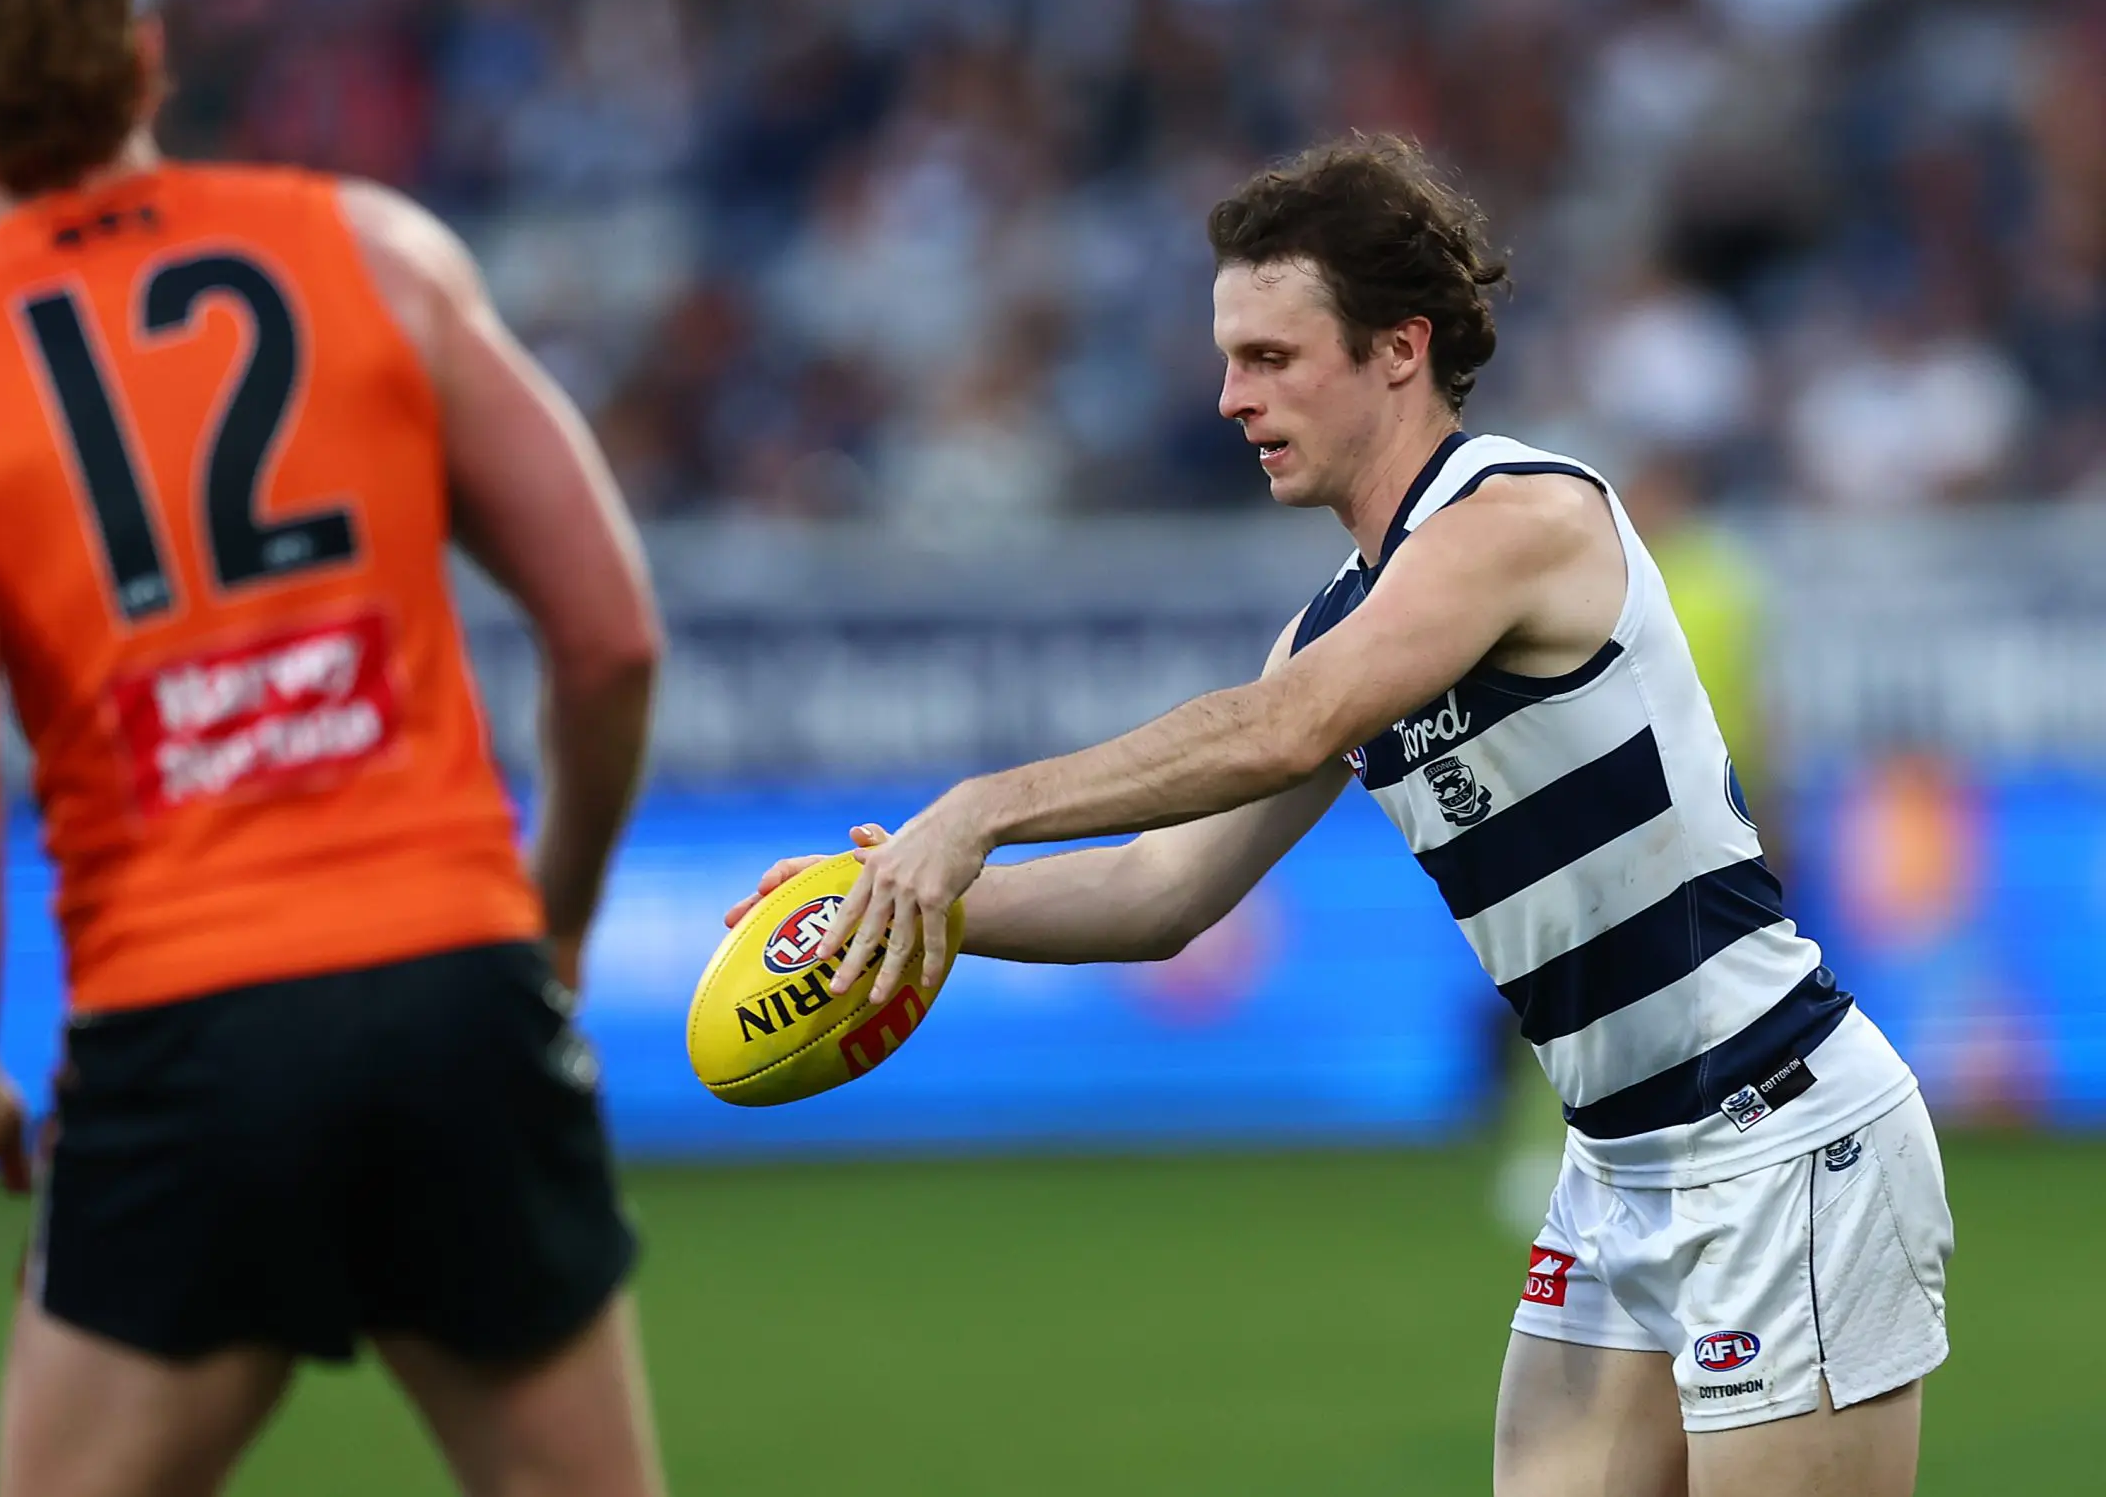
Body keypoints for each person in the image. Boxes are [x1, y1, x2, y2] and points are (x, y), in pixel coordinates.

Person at [726, 137, 1952, 1497]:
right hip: (1620, 1171)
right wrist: (913, 904)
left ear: (1396, 349)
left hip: (1778, 1138)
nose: (1229, 395)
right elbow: (1159, 894)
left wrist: (979, 807)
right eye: (1227, 357)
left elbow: (1287, 727)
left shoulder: (1520, 514)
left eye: (1269, 356)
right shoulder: (1337, 624)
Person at [0, 0, 666, 1497]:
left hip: (185, 1032)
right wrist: (545, 923)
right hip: (449, 985)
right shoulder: (377, 252)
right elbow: (611, 631)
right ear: (148, 59)